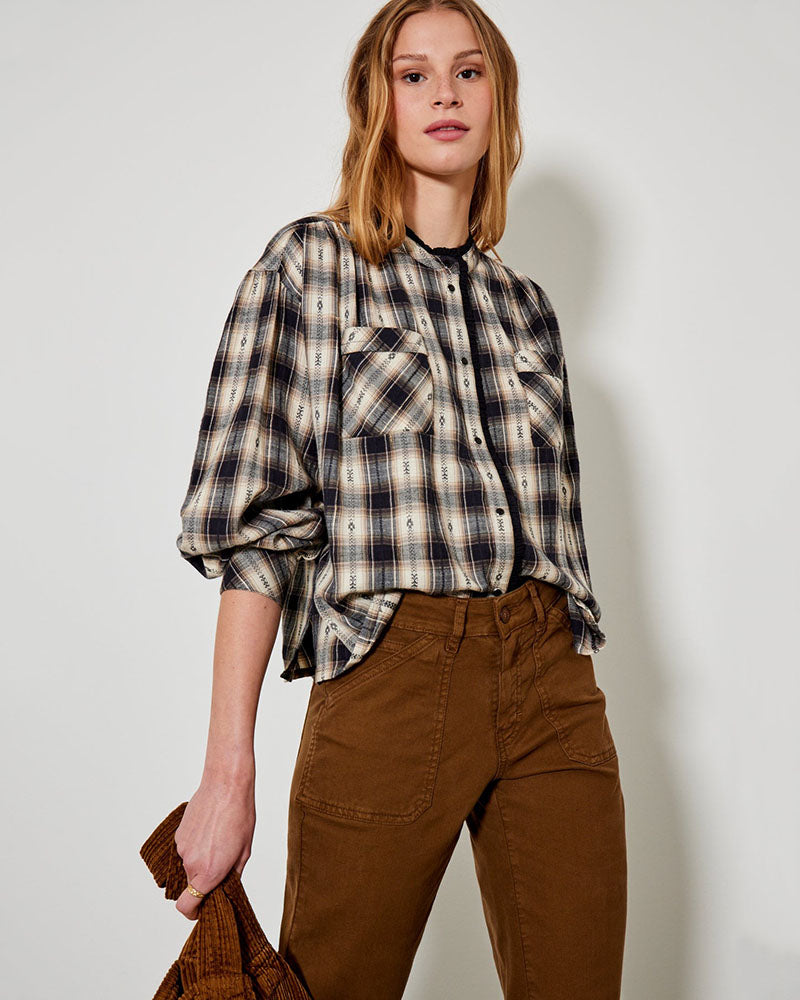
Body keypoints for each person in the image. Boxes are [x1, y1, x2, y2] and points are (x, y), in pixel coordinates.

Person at [171, 1, 627, 998]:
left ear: (498, 99)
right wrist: (227, 773)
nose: (443, 94)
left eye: (468, 71)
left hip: (550, 677)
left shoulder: (527, 311)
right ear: (375, 103)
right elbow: (259, 536)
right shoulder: (308, 267)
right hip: (391, 671)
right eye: (412, 74)